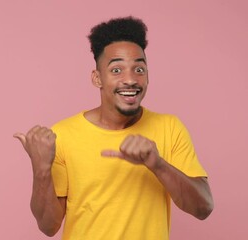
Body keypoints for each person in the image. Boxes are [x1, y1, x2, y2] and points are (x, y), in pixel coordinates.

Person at [14, 16, 214, 240]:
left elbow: (203, 207)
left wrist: (157, 164)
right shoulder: (63, 135)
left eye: (139, 69)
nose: (130, 80)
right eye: (116, 70)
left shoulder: (170, 127)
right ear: (97, 78)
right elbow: (48, 226)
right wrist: (41, 168)